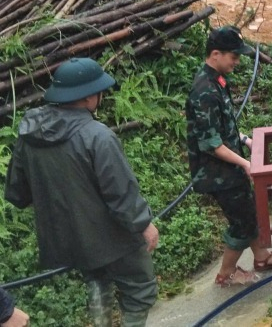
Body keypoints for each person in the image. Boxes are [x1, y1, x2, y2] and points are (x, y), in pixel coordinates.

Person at [4, 58, 159, 327]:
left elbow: (18, 193)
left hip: (69, 238)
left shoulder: (30, 133)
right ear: (89, 96)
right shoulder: (97, 136)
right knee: (139, 288)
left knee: (97, 280)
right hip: (114, 238)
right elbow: (120, 193)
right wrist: (143, 224)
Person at [186, 26, 272, 287]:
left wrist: (244, 140)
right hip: (217, 172)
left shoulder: (217, 81)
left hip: (229, 165)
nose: (237, 62)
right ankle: (226, 273)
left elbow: (224, 127)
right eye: (233, 57)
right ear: (215, 54)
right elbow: (211, 144)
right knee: (242, 221)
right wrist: (246, 162)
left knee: (251, 209)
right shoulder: (205, 92)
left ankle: (261, 256)